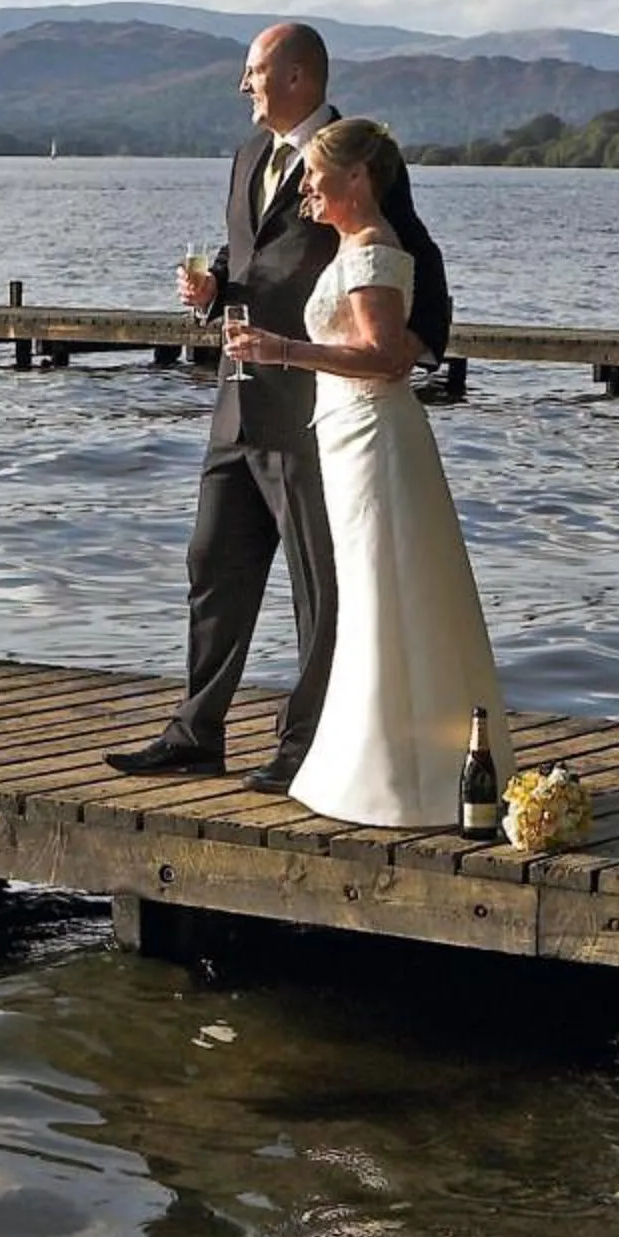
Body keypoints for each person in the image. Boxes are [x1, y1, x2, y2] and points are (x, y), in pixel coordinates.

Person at [104, 22, 451, 792]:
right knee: (211, 564)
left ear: (297, 77)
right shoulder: (247, 156)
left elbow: (415, 257)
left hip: (311, 411)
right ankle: (196, 733)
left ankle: (305, 745)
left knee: (316, 587)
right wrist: (212, 290)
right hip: (237, 402)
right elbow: (248, 257)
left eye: (253, 72)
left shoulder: (355, 157)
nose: (243, 86)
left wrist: (413, 350)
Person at [220, 117, 505, 827]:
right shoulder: (350, 244)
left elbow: (385, 359)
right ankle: (376, 761)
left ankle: (402, 774)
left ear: (357, 177)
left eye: (316, 177)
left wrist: (282, 351)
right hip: (346, 435)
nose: (306, 190)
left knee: (382, 590)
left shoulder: (374, 249)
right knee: (367, 592)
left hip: (374, 436)